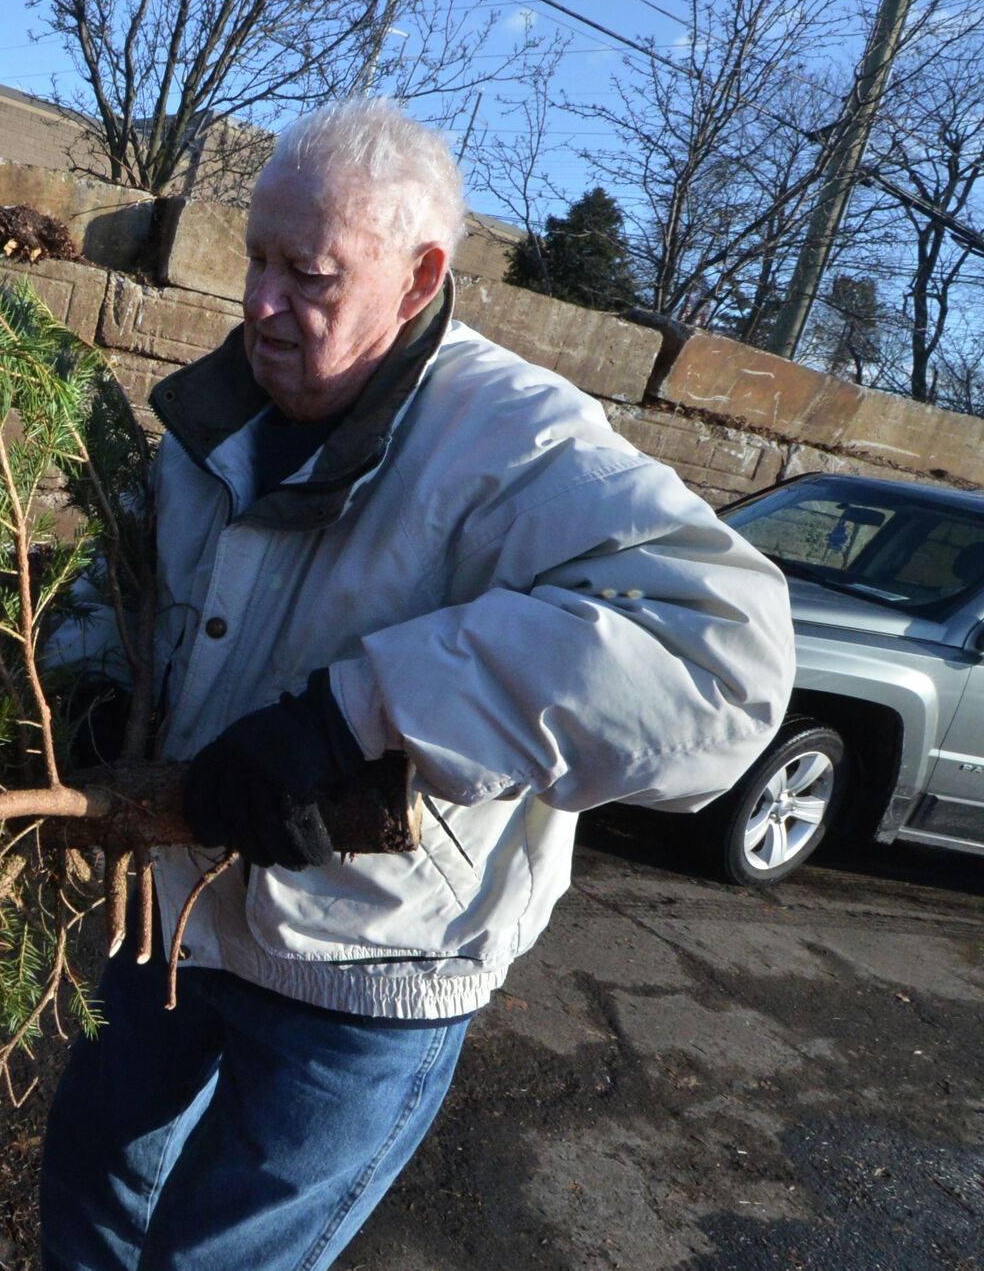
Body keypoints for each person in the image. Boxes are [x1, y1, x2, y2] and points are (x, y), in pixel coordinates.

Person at [39, 99, 796, 1270]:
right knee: (90, 1180)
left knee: (212, 1260)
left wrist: (349, 717)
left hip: (369, 967)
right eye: (252, 260)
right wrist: (86, 684)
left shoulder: (516, 443)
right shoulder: (221, 412)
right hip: (174, 914)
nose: (257, 303)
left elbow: (721, 661)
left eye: (308, 274)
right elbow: (121, 580)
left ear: (417, 275)